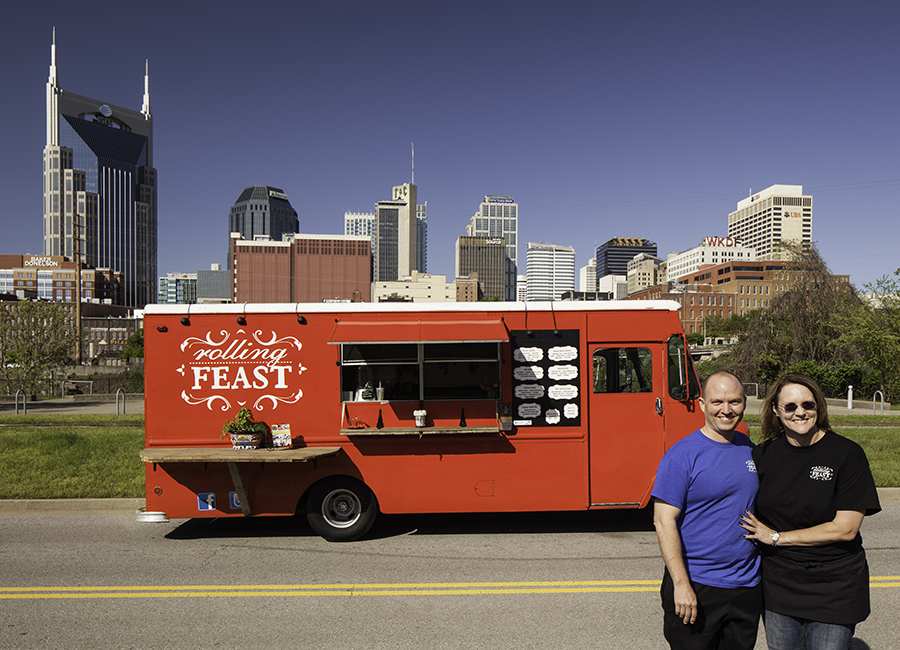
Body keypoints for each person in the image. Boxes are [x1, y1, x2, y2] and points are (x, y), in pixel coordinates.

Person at [740, 373, 881, 650]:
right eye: (790, 407)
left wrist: (777, 537)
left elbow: (846, 528)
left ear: (819, 407)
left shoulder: (847, 454)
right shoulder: (764, 455)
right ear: (776, 411)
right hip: (779, 585)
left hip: (834, 585)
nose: (800, 412)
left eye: (808, 404)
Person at [653, 370, 762, 650]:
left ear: (744, 403)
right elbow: (664, 521)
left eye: (734, 402)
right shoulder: (681, 456)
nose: (726, 410)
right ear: (702, 405)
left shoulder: (750, 449)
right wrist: (681, 583)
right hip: (698, 585)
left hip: (746, 585)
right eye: (717, 402)